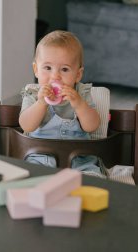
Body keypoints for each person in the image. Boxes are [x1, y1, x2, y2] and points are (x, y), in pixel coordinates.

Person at [19, 30, 105, 177]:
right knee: (29, 176)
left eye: (64, 69)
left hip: (79, 160)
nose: (55, 76)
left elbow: (92, 126)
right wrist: (41, 103)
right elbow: (26, 126)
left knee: (93, 178)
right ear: (36, 70)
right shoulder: (33, 94)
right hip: (41, 158)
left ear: (78, 74)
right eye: (47, 68)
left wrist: (78, 104)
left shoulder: (81, 94)